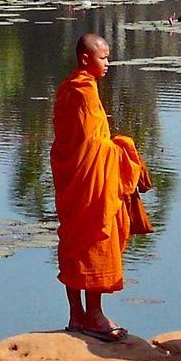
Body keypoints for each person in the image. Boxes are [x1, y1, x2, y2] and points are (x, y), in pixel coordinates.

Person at [51, 33, 148, 343]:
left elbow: (67, 144)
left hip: (73, 181)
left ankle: (76, 315)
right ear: (85, 59)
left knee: (73, 239)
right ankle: (94, 315)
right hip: (90, 183)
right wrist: (123, 149)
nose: (108, 63)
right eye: (103, 57)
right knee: (95, 236)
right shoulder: (84, 93)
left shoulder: (67, 89)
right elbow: (95, 146)